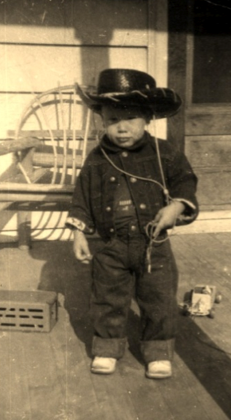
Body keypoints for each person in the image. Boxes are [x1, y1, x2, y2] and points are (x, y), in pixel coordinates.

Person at [66, 68, 198, 379]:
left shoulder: (164, 153)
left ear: (147, 118)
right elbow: (82, 196)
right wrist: (78, 232)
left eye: (130, 119)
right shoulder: (97, 158)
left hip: (154, 245)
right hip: (112, 245)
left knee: (159, 299)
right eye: (113, 120)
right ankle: (107, 349)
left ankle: (157, 353)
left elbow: (185, 182)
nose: (121, 128)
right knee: (108, 298)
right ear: (103, 121)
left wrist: (176, 206)